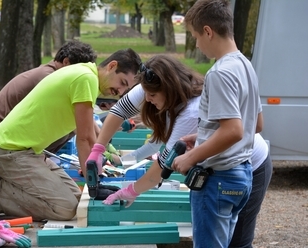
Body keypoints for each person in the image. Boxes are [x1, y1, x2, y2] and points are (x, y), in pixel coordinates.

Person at [0, 48, 141, 221]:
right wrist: (94, 184)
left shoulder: (84, 74)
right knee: (66, 209)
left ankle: (8, 180)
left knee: (77, 199)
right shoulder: (85, 79)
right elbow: (85, 138)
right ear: (112, 66)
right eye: (122, 83)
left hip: (28, 152)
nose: (120, 92)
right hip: (8, 151)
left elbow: (89, 132)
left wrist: (97, 174)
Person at [170, 0, 262, 247]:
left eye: (195, 36)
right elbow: (256, 123)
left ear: (208, 31)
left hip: (218, 178)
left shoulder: (219, 72)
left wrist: (191, 157)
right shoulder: (245, 65)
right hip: (241, 175)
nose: (197, 44)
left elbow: (233, 130)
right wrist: (201, 137)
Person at [86, 54, 203, 202]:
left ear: (169, 89)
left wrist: (131, 191)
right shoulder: (152, 85)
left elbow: (164, 163)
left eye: (152, 94)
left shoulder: (190, 113)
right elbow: (119, 111)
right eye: (145, 92)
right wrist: (98, 149)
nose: (147, 99)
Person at [0, 40, 97, 153]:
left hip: (1, 127)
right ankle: (36, 159)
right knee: (67, 130)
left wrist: (99, 138)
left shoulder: (50, 72)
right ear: (66, 62)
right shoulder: (51, 77)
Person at [229, 132, 272, 247]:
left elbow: (256, 126)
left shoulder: (189, 116)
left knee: (238, 239)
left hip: (253, 164)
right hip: (230, 167)